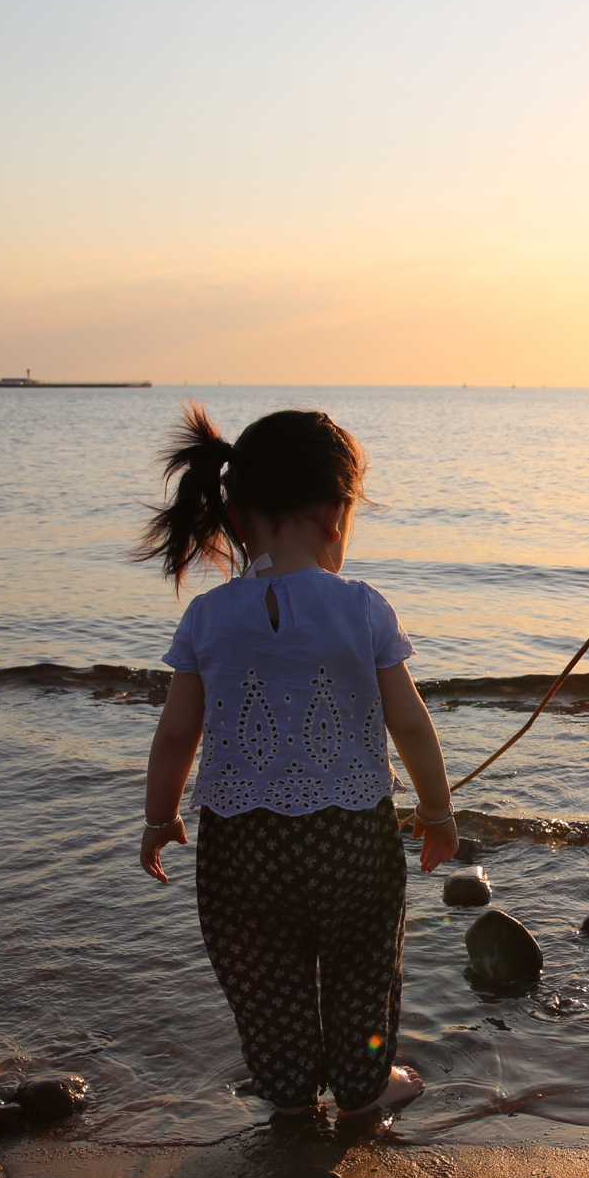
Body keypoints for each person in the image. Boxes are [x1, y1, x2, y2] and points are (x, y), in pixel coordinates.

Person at [134, 404, 458, 1117]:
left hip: (241, 842)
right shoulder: (362, 606)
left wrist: (159, 818)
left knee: (262, 969)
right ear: (336, 513)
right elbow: (409, 719)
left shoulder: (208, 617)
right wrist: (437, 809)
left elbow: (174, 736)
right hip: (350, 836)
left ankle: (285, 1091)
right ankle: (364, 1084)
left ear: (238, 516)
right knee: (362, 964)